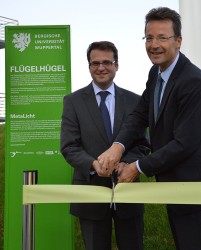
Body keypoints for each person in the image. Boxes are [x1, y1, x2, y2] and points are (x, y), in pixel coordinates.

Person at [98, 7, 201, 250]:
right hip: (174, 186)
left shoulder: (193, 82)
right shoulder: (156, 73)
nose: (154, 44)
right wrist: (117, 147)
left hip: (193, 188)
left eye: (162, 37)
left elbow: (184, 143)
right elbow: (139, 115)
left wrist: (138, 167)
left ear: (178, 41)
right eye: (149, 37)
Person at [60, 41, 150, 250]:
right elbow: (69, 146)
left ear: (117, 65)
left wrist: (127, 162)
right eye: (95, 63)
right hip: (90, 194)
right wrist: (93, 164)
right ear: (89, 66)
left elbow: (143, 144)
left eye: (107, 62)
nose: (101, 67)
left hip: (129, 195)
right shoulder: (73, 102)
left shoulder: (135, 101)